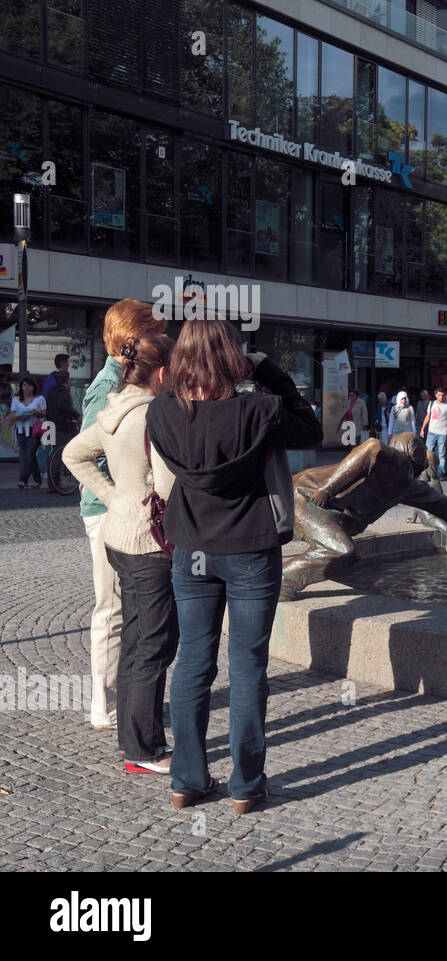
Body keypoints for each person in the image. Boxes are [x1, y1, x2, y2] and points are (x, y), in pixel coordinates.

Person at [147, 316, 322, 814]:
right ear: (234, 356)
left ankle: (186, 781)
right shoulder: (259, 408)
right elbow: (310, 426)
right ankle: (246, 788)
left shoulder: (161, 412)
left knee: (193, 665)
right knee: (247, 668)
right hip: (250, 548)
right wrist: (270, 374)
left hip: (192, 549)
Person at [64, 334, 177, 775]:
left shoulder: (114, 407)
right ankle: (145, 750)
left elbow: (74, 454)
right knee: (152, 644)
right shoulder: (152, 414)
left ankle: (134, 738)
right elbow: (167, 486)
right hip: (150, 542)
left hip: (119, 536)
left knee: (135, 639)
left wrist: (115, 498)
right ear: (163, 372)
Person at [78, 298, 168, 732]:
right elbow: (84, 452)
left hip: (118, 512)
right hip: (109, 515)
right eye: (156, 333)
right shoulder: (106, 385)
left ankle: (126, 699)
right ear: (136, 339)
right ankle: (106, 706)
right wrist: (117, 498)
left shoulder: (121, 378)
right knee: (112, 609)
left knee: (123, 610)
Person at [283, 433, 447, 598]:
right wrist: (328, 489)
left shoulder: (406, 484)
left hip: (314, 503)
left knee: (344, 554)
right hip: (308, 499)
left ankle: (269, 578)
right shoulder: (395, 462)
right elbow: (371, 446)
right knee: (341, 550)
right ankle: (281, 583)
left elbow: (436, 500)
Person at [43, 370, 81, 492]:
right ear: (67, 380)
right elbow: (63, 407)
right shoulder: (63, 392)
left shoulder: (51, 392)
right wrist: (76, 414)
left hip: (51, 425)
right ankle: (56, 483)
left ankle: (51, 483)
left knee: (53, 453)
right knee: (59, 454)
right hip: (61, 425)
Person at [7, 377, 45, 488]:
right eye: (24, 385)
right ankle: (38, 479)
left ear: (34, 387)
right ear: (21, 387)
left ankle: (22, 480)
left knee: (29, 454)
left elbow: (44, 413)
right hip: (20, 430)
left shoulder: (40, 399)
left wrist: (36, 412)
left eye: (29, 385)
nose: (26, 388)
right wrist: (20, 415)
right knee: (28, 456)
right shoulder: (16, 399)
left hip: (34, 431)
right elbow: (12, 415)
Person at [420, 386, 447, 478]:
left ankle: (440, 473)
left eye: (442, 395)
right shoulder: (431, 404)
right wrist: (422, 428)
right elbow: (428, 416)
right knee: (428, 453)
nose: (441, 397)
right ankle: (428, 472)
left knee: (441, 454)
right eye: (439, 395)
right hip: (431, 432)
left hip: (442, 433)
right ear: (435, 395)